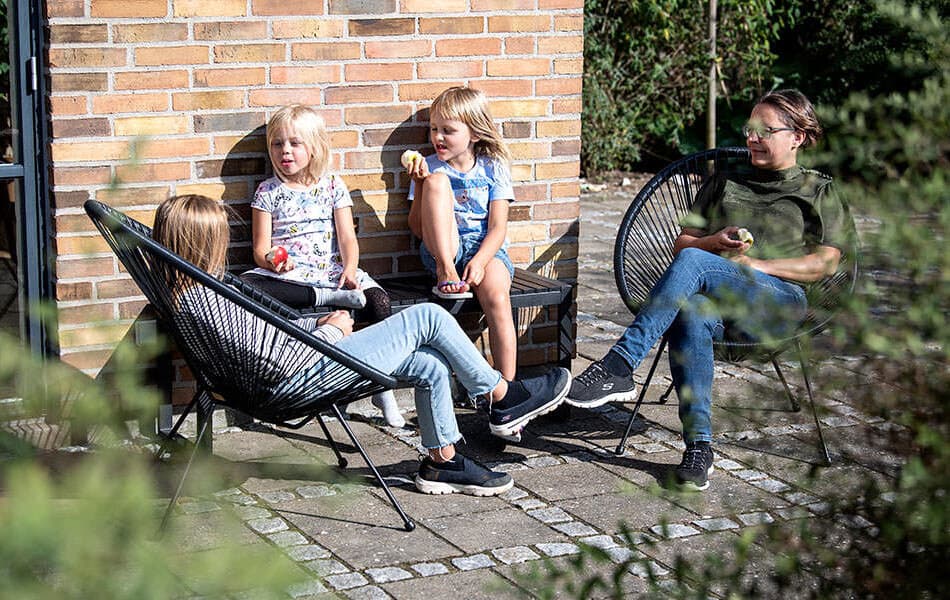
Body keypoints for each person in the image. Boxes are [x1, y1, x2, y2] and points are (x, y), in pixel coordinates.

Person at [153, 194, 571, 497]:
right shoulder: (205, 302)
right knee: (427, 317)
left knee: (428, 364)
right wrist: (333, 331)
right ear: (204, 245)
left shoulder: (190, 292)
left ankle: (443, 462)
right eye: (220, 238)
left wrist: (320, 321)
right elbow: (280, 360)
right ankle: (500, 395)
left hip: (307, 357)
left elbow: (266, 341)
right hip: (304, 373)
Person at [567, 89, 854, 491]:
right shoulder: (726, 179)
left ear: (797, 137)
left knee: (695, 265)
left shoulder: (818, 190)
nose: (752, 138)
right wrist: (714, 240)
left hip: (777, 304)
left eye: (764, 131)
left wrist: (756, 265)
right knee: (691, 310)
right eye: (750, 129)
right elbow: (684, 243)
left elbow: (825, 263)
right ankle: (699, 447)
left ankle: (619, 365)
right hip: (718, 304)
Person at [240, 104, 404, 427]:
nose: (284, 151)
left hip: (330, 271)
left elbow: (347, 238)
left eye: (294, 144)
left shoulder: (332, 185)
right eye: (277, 144)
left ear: (314, 147)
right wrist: (271, 259)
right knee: (248, 286)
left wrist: (350, 267)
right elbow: (260, 249)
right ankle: (330, 303)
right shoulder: (268, 192)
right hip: (294, 278)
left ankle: (382, 386)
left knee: (379, 302)